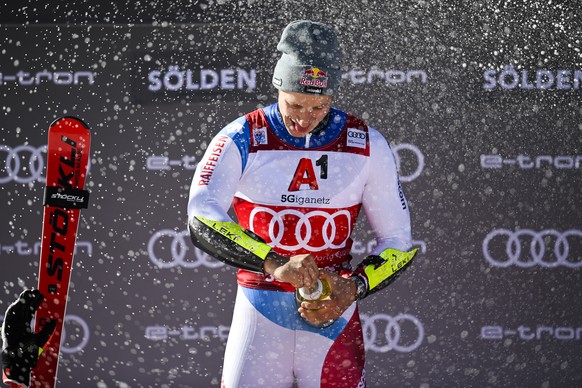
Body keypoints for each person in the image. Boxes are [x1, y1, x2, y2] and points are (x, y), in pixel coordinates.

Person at [187, 20, 417, 388]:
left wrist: (353, 287)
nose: (303, 118)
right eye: (295, 104)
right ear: (279, 86)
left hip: (333, 309)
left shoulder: (366, 144)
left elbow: (398, 241)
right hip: (260, 309)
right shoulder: (243, 136)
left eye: (319, 107)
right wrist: (274, 263)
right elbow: (201, 215)